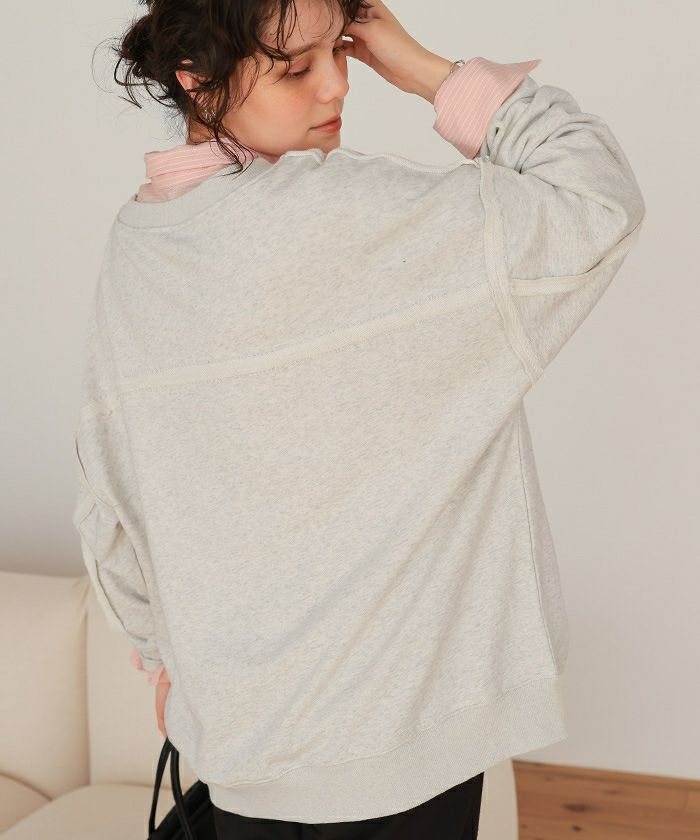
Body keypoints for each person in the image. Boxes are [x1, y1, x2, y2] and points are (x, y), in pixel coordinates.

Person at [73, 0, 645, 837]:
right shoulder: (356, 215)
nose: (338, 85)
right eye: (295, 68)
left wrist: (170, 665)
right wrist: (429, 71)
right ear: (197, 79)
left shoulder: (140, 248)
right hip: (401, 739)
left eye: (339, 50)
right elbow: (595, 197)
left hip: (245, 755)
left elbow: (109, 505)